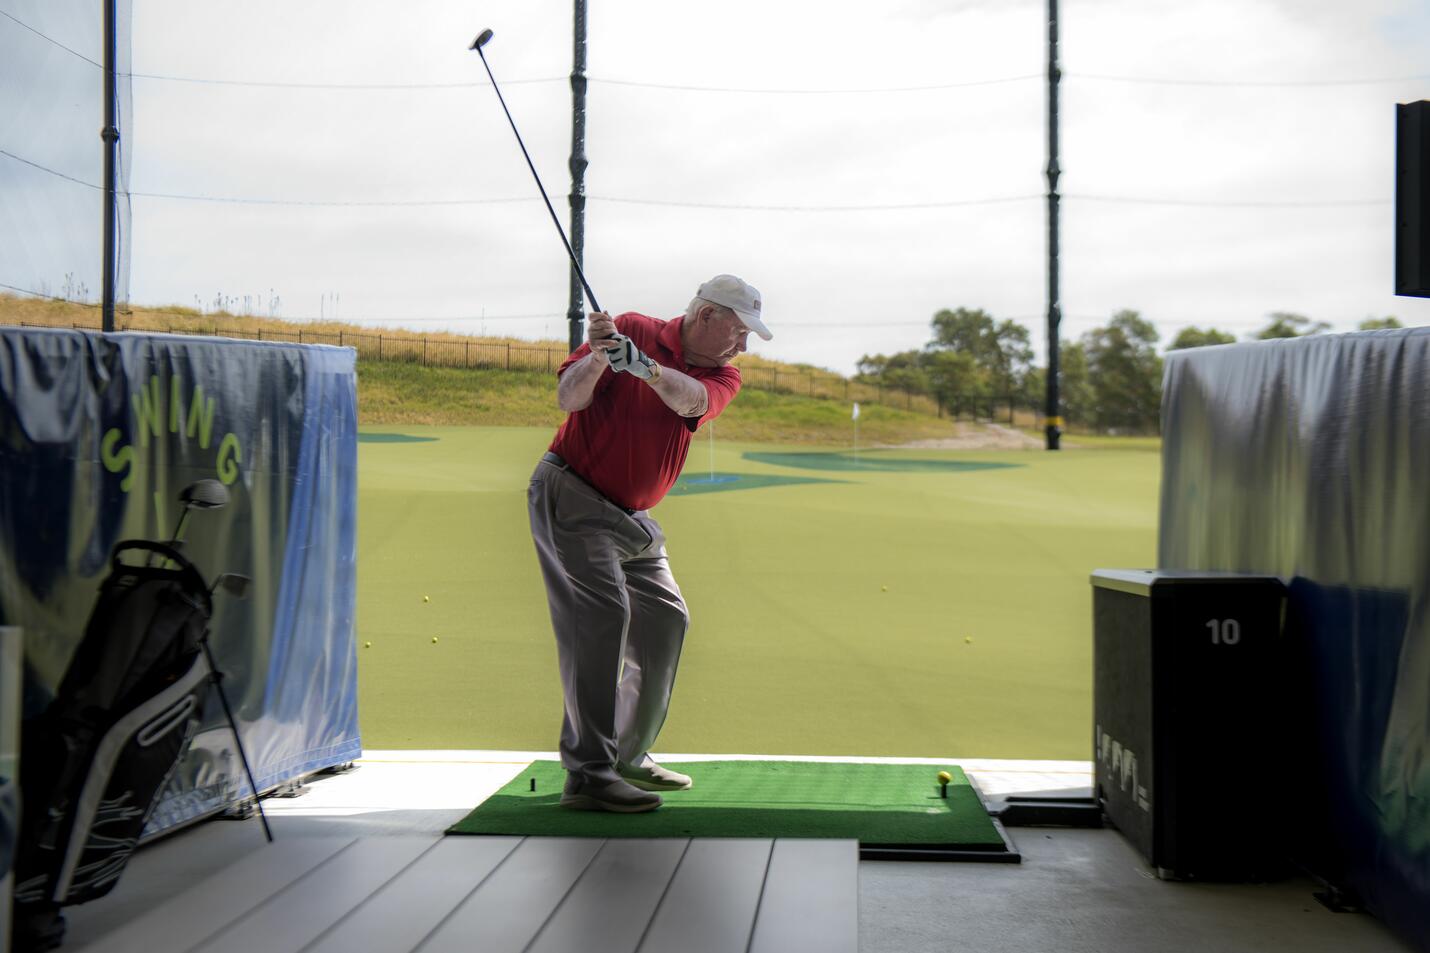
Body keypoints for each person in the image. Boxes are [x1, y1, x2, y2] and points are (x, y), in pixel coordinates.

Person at [527, 274, 772, 812]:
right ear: (706, 316)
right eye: (739, 331)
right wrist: (599, 357)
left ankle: (626, 753)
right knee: (602, 618)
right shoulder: (632, 327)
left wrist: (648, 370)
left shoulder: (722, 374)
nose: (743, 346)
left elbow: (694, 402)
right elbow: (569, 398)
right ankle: (588, 774)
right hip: (574, 495)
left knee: (666, 618)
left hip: (633, 517)